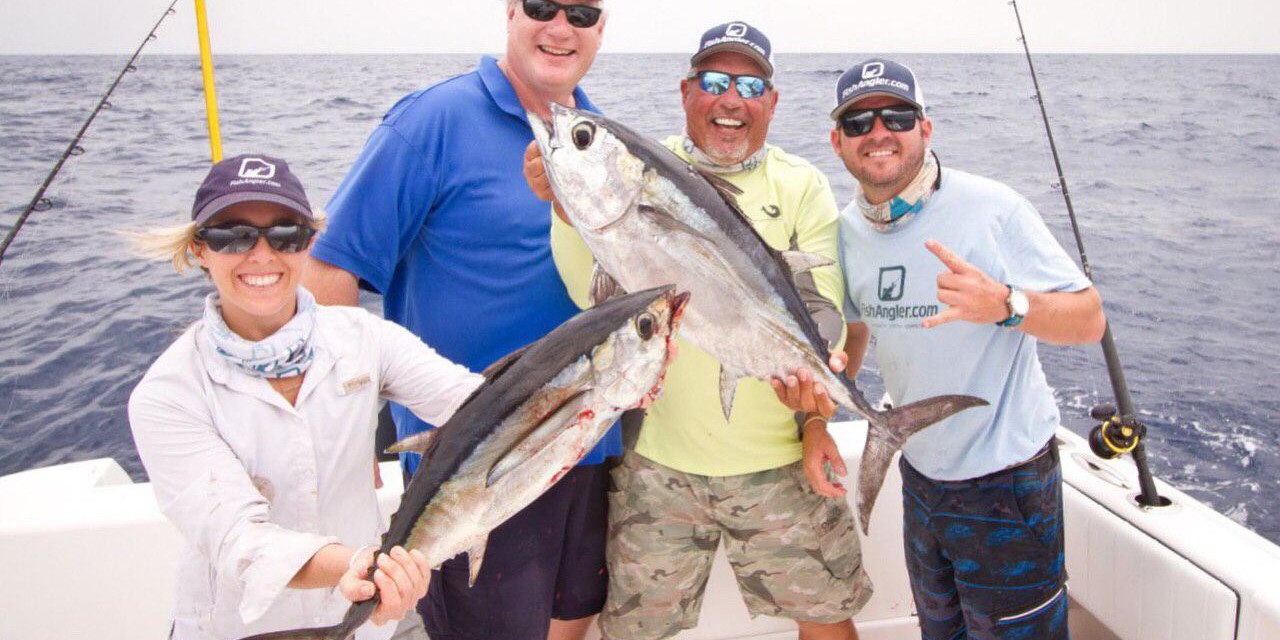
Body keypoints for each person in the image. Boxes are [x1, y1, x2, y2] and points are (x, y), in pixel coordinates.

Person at [527, 22, 872, 640]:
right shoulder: (640, 166)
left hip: (781, 462)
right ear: (686, 91)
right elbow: (590, 294)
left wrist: (820, 392)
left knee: (825, 620)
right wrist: (563, 206)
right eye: (714, 81)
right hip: (656, 464)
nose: (731, 99)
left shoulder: (802, 184)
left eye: (750, 86)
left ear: (772, 102)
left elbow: (822, 305)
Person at [301, 2, 612, 639]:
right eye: (542, 6)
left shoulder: (598, 135)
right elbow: (330, 268)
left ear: (601, 28)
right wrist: (345, 431)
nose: (561, 27)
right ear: (510, 12)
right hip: (472, 464)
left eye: (582, 12)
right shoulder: (432, 121)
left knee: (573, 619)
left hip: (591, 444)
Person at [128, 154, 484, 640]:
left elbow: (474, 403)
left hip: (361, 618)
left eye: (285, 235)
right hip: (237, 626)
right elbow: (240, 540)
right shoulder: (168, 393)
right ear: (199, 250)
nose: (261, 255)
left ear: (310, 242)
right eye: (232, 236)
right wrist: (353, 565)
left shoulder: (366, 337)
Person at [814, 58, 1106, 639]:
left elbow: (1090, 319)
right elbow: (856, 327)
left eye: (898, 117)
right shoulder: (846, 231)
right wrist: (823, 401)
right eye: (858, 122)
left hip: (1007, 483)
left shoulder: (993, 207)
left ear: (926, 128)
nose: (878, 132)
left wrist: (1007, 304)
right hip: (920, 476)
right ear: (837, 141)